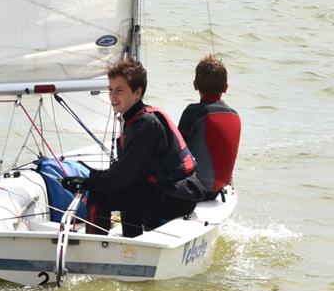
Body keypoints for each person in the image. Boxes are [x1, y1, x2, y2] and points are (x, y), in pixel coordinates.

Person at [61, 58, 202, 237]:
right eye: (111, 90)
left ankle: (95, 250)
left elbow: (123, 177)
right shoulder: (139, 119)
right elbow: (127, 174)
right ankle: (131, 244)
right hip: (174, 193)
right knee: (123, 190)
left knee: (99, 196)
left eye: (119, 91)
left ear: (137, 93)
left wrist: (89, 182)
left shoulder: (145, 125)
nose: (113, 96)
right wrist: (94, 178)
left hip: (176, 198)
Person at [177, 55, 241, 200]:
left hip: (196, 190)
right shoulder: (235, 116)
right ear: (226, 87)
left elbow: (175, 151)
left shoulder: (194, 112)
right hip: (219, 191)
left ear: (195, 85)